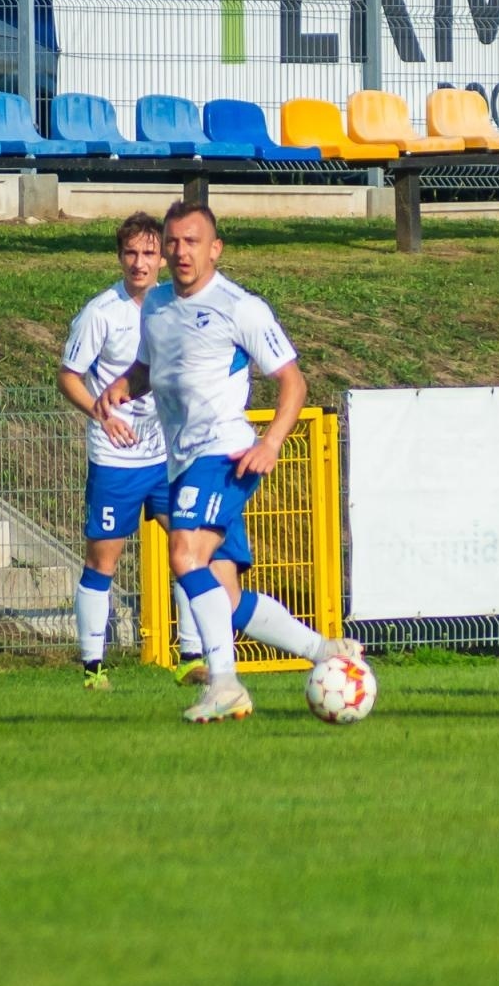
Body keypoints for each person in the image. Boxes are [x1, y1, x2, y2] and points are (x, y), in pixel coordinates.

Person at [96, 201, 361, 723]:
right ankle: (325, 652)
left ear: (215, 248)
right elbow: (152, 366)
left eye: (192, 241)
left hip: (223, 452)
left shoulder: (241, 307)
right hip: (184, 459)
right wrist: (125, 385)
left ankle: (224, 683)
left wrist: (272, 442)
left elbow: (292, 380)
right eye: (173, 242)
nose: (180, 251)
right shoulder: (157, 305)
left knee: (183, 554)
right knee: (227, 595)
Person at [58, 211, 206, 691]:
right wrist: (104, 415)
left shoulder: (175, 307)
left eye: (148, 252)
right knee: (103, 560)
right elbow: (68, 377)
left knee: (191, 548)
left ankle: (191, 656)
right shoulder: (101, 312)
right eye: (131, 254)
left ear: (163, 256)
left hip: (167, 456)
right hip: (116, 458)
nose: (140, 263)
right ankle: (92, 667)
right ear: (119, 258)